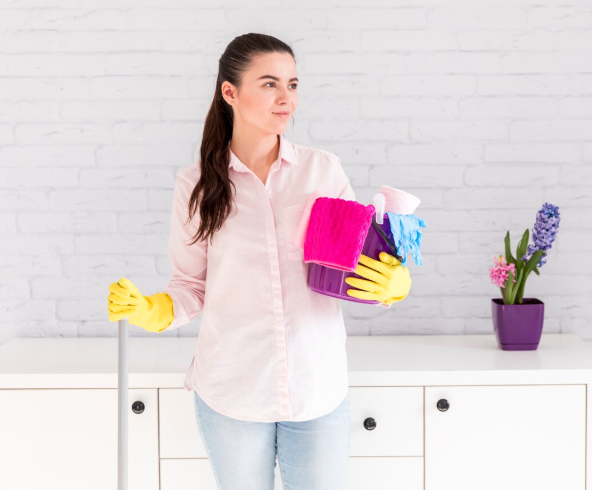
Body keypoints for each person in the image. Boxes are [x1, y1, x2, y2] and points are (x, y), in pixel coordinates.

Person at [106, 33, 412, 489]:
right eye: (269, 84)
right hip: (232, 390)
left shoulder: (322, 171)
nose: (286, 98)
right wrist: (150, 309)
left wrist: (395, 282)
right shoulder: (197, 186)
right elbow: (190, 286)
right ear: (230, 92)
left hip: (316, 387)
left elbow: (358, 265)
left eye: (292, 84)